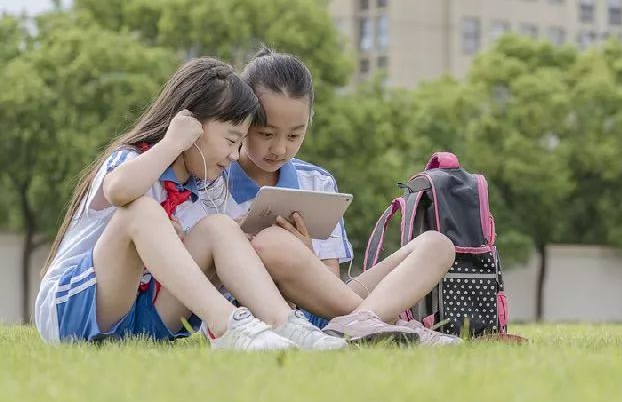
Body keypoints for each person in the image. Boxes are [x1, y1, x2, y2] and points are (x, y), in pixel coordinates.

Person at [35, 57, 347, 351]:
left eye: (240, 144)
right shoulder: (133, 159)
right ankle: (227, 326)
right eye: (230, 141)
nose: (235, 155)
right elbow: (118, 190)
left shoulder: (207, 190)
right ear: (192, 127)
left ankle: (284, 324)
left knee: (220, 228)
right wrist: (172, 143)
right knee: (141, 211)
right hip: (75, 310)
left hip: (147, 319)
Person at [228, 48, 461, 345]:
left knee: (437, 245)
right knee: (272, 244)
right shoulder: (216, 179)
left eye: (293, 136)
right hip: (262, 310)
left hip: (324, 308)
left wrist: (306, 253)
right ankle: (384, 325)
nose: (280, 149)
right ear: (243, 120)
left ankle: (362, 323)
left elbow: (331, 282)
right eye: (266, 134)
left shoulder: (316, 181)